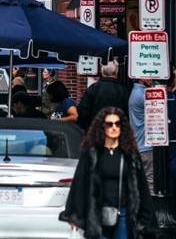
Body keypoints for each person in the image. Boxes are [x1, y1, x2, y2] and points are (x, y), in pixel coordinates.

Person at [60, 106, 155, 239]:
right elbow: (80, 182)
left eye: (118, 124)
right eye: (109, 124)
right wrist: (76, 215)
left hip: (123, 212)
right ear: (102, 127)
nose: (114, 127)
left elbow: (141, 186)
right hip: (97, 212)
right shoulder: (91, 153)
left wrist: (147, 218)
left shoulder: (129, 154)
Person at [77, 61, 128, 131]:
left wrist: (86, 127)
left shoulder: (93, 89)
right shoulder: (123, 91)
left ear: (102, 72)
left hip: (95, 131)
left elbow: (83, 111)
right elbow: (127, 114)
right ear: (117, 72)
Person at [128, 78, 154, 191]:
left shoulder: (136, 93)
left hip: (139, 144)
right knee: (150, 183)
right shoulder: (142, 96)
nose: (153, 78)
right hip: (146, 146)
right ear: (142, 78)